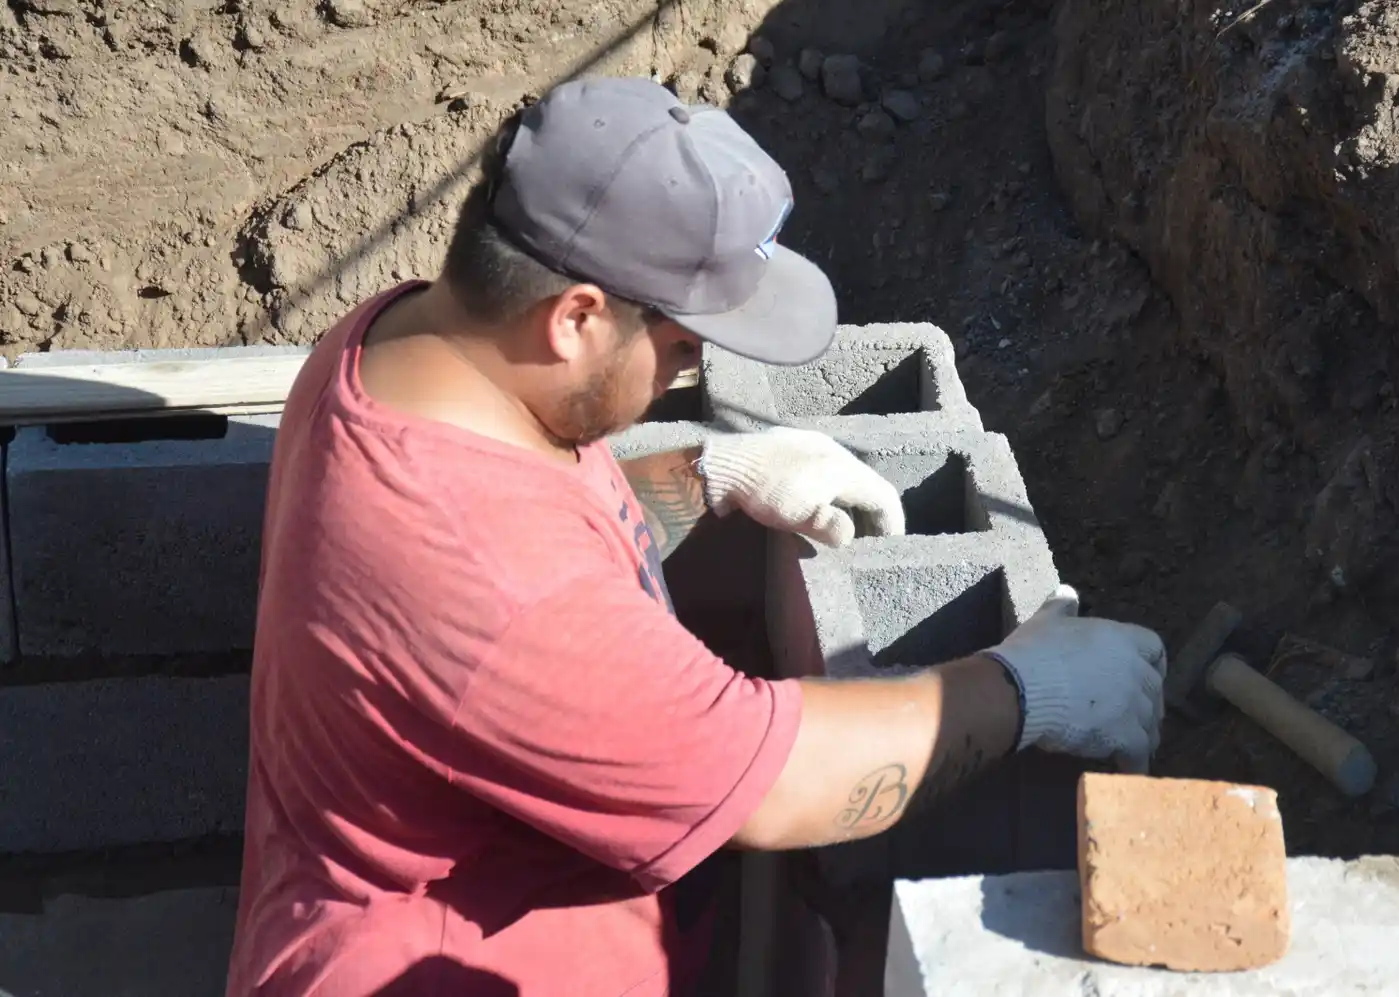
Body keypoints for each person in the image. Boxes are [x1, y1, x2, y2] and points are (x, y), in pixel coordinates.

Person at [224, 75, 1167, 997]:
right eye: (682, 347)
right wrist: (1024, 689)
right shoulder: (504, 593)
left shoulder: (396, 346)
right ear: (577, 318)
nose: (689, 370)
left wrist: (706, 479)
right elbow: (779, 784)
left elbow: (526, 531)